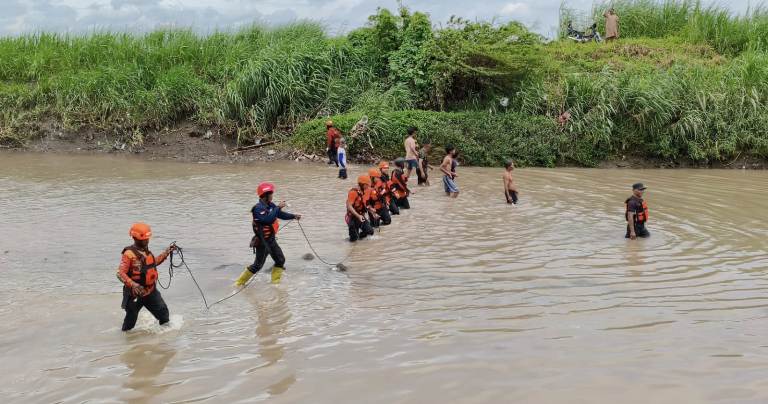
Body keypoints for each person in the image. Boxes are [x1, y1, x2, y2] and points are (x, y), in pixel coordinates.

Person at [235, 182, 302, 286]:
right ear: (265, 195)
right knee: (257, 266)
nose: (272, 196)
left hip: (271, 240)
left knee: (280, 260)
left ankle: (275, 284)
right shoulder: (257, 208)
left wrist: (293, 216)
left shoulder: (270, 205)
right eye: (271, 194)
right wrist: (278, 207)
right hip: (262, 242)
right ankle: (238, 284)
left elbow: (280, 214)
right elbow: (267, 220)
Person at [117, 223, 177, 332]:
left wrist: (166, 253)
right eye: (144, 239)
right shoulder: (128, 254)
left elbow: (152, 263)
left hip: (150, 291)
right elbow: (120, 273)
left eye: (147, 238)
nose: (147, 241)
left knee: (164, 314)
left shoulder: (146, 251)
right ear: (136, 238)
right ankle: (126, 340)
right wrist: (133, 285)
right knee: (129, 326)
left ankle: (165, 338)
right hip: (134, 294)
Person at [346, 175, 376, 242]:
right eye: (367, 185)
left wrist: (372, 211)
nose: (368, 187)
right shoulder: (353, 192)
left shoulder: (363, 192)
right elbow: (349, 206)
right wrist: (358, 216)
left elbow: (364, 204)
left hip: (360, 216)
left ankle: (360, 239)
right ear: (362, 184)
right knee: (354, 240)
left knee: (370, 231)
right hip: (352, 218)